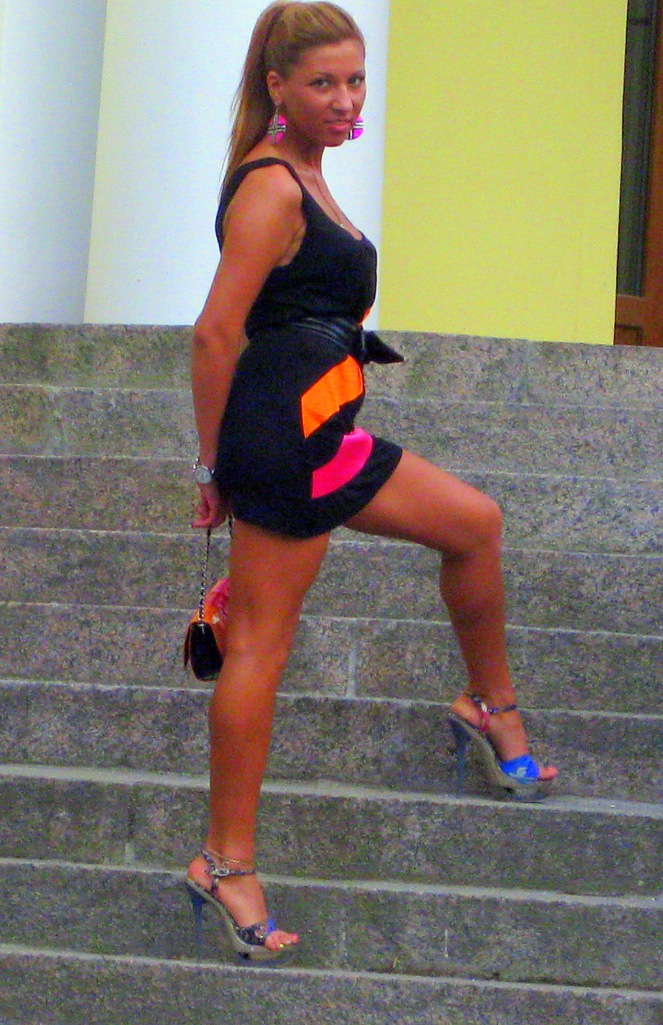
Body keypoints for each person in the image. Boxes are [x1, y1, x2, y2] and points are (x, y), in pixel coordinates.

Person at [185, 0, 557, 963]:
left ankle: (488, 704)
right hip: (281, 437)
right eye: (323, 83)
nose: (346, 99)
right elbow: (216, 332)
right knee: (259, 646)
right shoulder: (272, 186)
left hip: (325, 428)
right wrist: (214, 465)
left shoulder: (309, 176)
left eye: (355, 80)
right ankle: (224, 863)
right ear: (277, 86)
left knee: (473, 523)